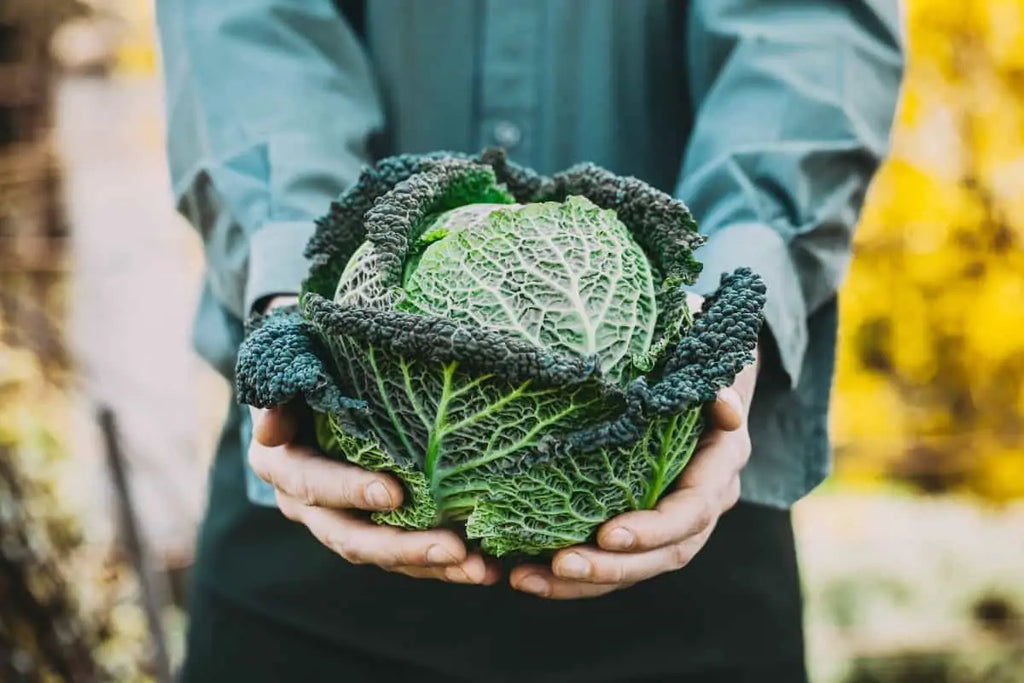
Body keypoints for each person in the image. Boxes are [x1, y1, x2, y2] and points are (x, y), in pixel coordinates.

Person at [156, 1, 904, 681]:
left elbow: (811, 34)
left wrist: (727, 317)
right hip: (317, 494)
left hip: (688, 507)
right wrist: (296, 290)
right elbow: (244, 28)